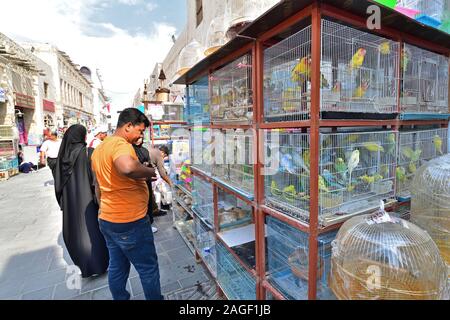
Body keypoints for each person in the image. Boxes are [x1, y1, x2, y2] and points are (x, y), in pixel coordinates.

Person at [91, 108, 162, 300]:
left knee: (118, 265)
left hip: (108, 218)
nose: (140, 136)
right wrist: (149, 172)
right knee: (148, 268)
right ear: (128, 126)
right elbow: (128, 167)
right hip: (130, 221)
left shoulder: (100, 149)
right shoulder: (120, 145)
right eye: (139, 131)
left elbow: (98, 186)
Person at [54, 124, 109, 278]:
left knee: (76, 234)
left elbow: (58, 184)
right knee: (93, 231)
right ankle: (99, 265)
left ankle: (85, 267)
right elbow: (97, 179)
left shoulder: (62, 158)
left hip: (71, 203)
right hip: (88, 201)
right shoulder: (88, 153)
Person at [133, 138, 159, 233]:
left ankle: (149, 224)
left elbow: (149, 164)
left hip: (146, 181)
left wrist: (147, 166)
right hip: (136, 183)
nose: (140, 139)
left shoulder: (144, 150)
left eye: (141, 136)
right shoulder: (130, 149)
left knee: (148, 202)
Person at [148, 145, 173, 216]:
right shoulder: (158, 154)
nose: (164, 158)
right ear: (163, 152)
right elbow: (162, 174)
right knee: (151, 193)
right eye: (164, 156)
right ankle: (153, 212)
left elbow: (161, 168)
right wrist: (170, 183)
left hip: (145, 176)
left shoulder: (152, 150)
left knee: (152, 193)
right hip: (146, 177)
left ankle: (155, 210)